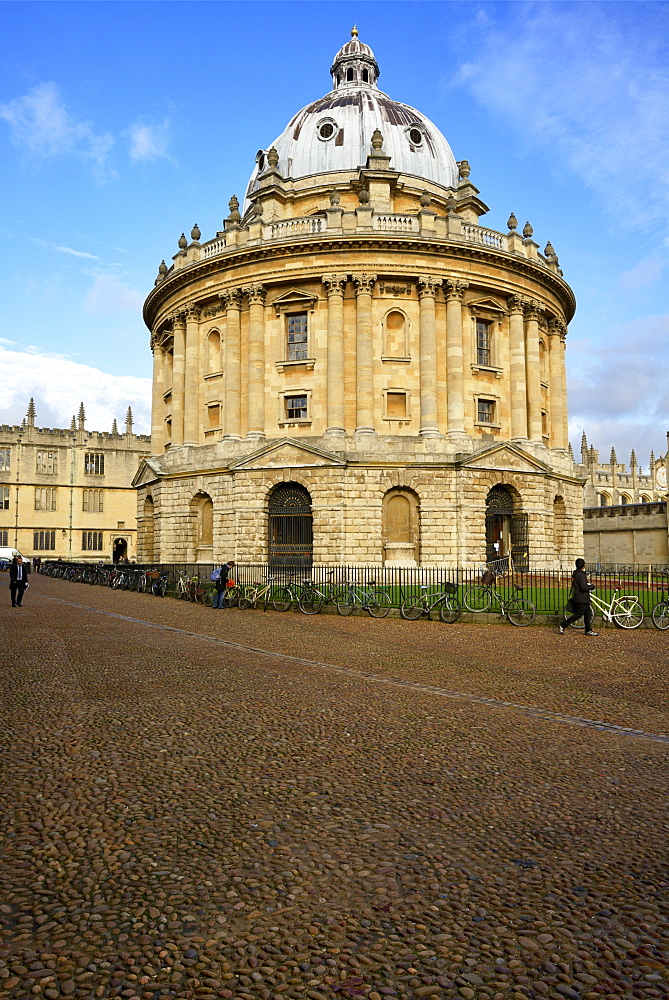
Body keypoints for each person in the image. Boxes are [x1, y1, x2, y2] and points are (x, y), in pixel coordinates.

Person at [558, 558, 598, 635]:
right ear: (583, 565)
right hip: (581, 598)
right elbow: (583, 587)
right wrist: (592, 586)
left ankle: (588, 630)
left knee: (588, 614)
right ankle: (563, 625)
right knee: (578, 614)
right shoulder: (581, 575)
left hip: (582, 598)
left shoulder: (577, 573)